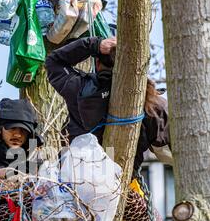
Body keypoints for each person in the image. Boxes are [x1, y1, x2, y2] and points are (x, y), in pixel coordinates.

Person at [45, 37, 172, 171]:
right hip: (121, 182)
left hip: (77, 177)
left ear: (97, 63)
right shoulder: (152, 102)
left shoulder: (80, 88)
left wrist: (94, 45)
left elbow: (54, 62)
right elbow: (167, 153)